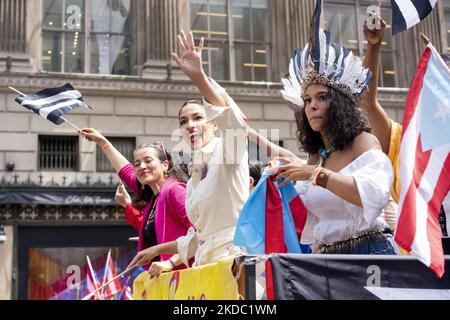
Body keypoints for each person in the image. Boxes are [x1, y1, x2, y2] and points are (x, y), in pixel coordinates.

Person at [127, 31, 298, 277]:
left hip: (236, 264)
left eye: (198, 117)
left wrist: (199, 78)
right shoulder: (194, 171)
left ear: (214, 123)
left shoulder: (228, 151)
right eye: (183, 121)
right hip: (206, 269)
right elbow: (200, 236)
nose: (190, 125)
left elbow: (234, 124)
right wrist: (161, 255)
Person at [275, 9, 396, 254]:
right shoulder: (318, 154)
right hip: (326, 261)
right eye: (307, 100)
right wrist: (278, 181)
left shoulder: (363, 142)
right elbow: (300, 210)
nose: (313, 106)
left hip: (369, 255)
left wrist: (314, 173)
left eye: (321, 97)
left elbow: (373, 193)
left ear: (339, 105)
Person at [80, 130, 193, 271]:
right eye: (137, 164)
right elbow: (125, 171)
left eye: (148, 161)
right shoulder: (153, 195)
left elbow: (198, 232)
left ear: (165, 165)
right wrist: (103, 143)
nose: (142, 167)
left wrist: (170, 262)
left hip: (186, 279)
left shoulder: (175, 190)